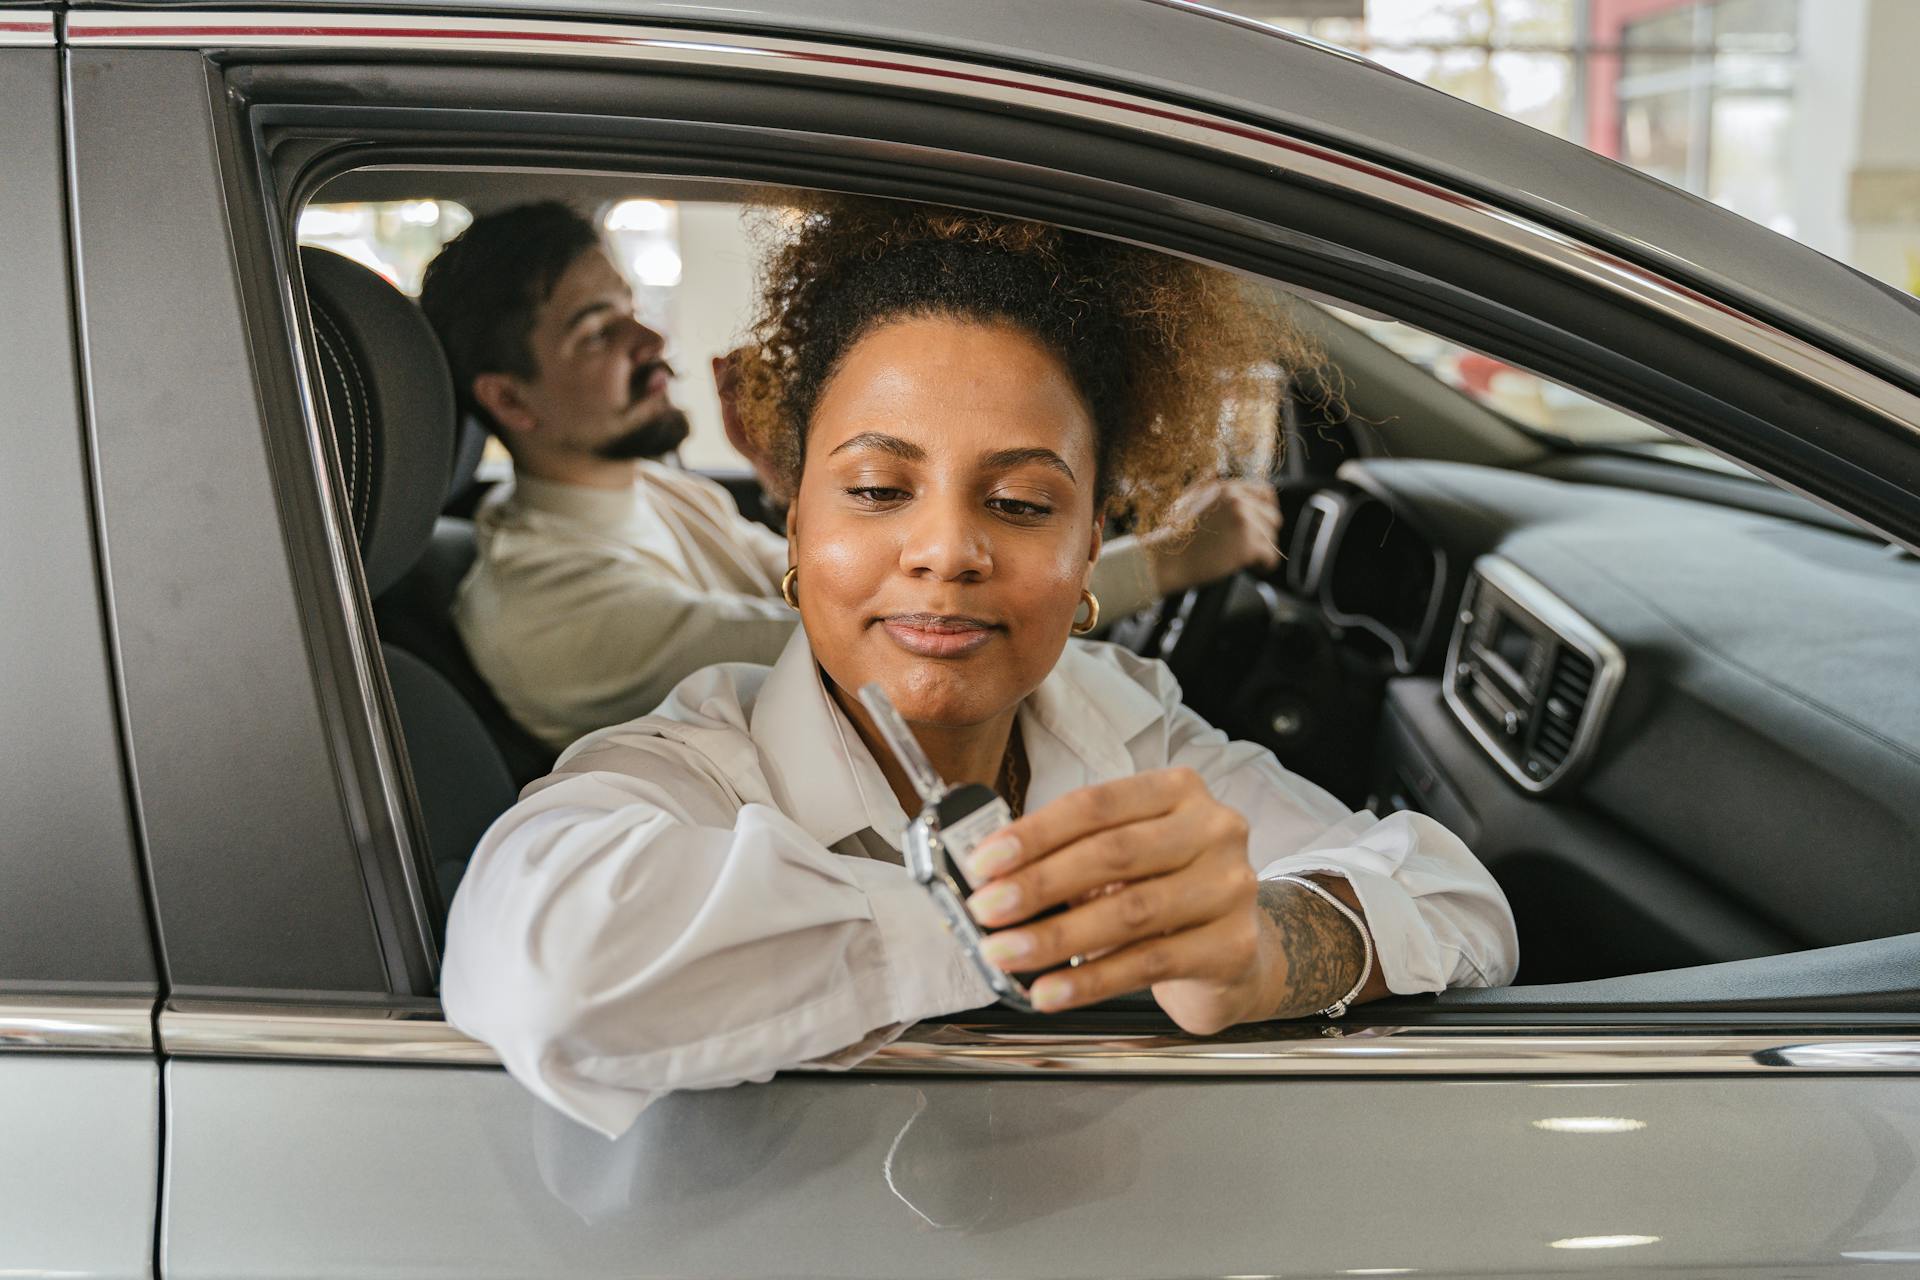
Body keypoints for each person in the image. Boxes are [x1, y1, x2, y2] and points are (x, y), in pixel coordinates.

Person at [440, 196, 1517, 1137]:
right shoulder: (689, 764)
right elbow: (550, 961)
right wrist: (1045, 931)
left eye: (1019, 502)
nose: (948, 549)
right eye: (874, 489)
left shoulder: (1121, 718)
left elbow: (1460, 899)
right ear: (793, 520)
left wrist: (1265, 940)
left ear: (1092, 538)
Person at [419, 201, 1285, 751]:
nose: (650, 345)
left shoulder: (657, 494)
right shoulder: (549, 612)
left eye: (636, 313)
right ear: (511, 400)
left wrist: (794, 482)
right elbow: (859, 643)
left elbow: (801, 586)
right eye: (598, 331)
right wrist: (1167, 562)